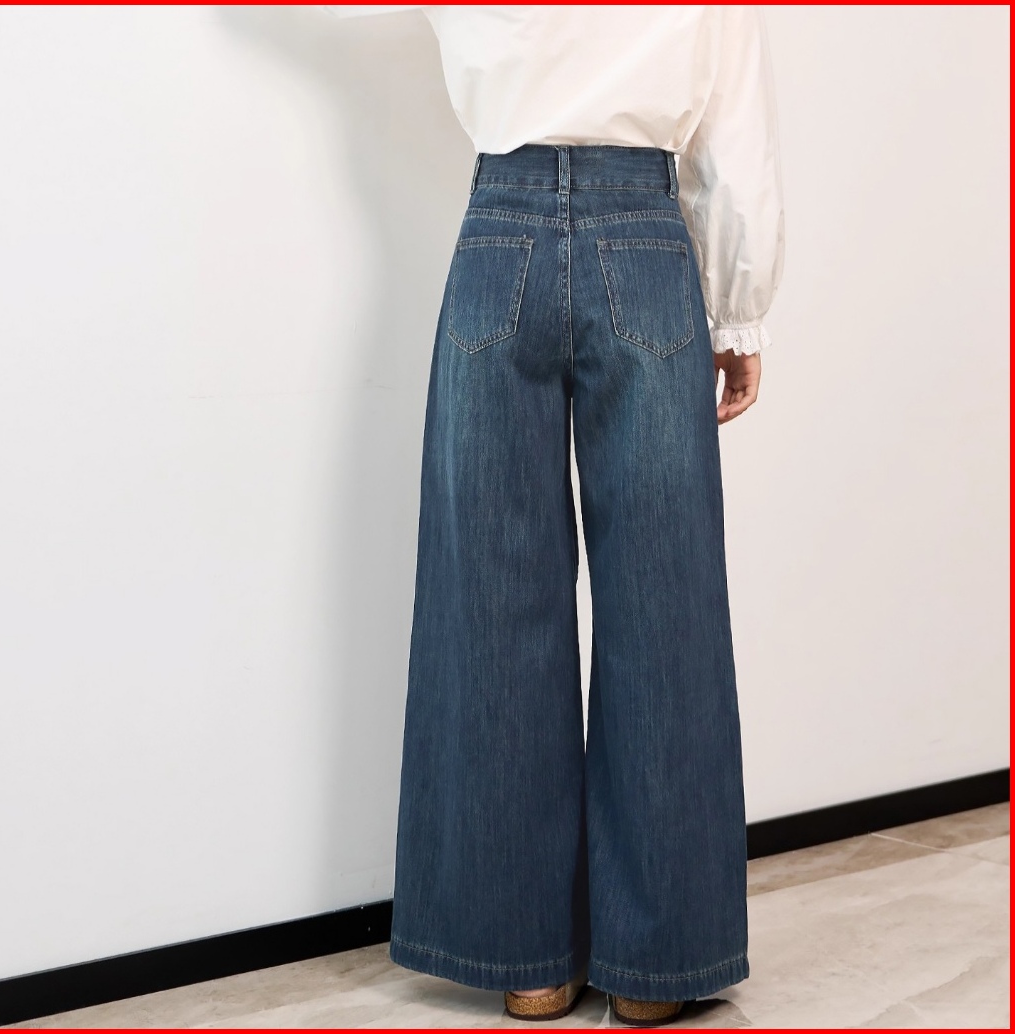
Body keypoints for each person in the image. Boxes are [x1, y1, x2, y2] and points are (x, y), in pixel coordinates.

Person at [324, 5, 786, 1026]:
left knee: (491, 600)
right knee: (664, 604)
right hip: (645, 245)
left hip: (500, 236)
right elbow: (735, 131)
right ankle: (655, 964)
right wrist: (740, 310)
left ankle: (525, 955)